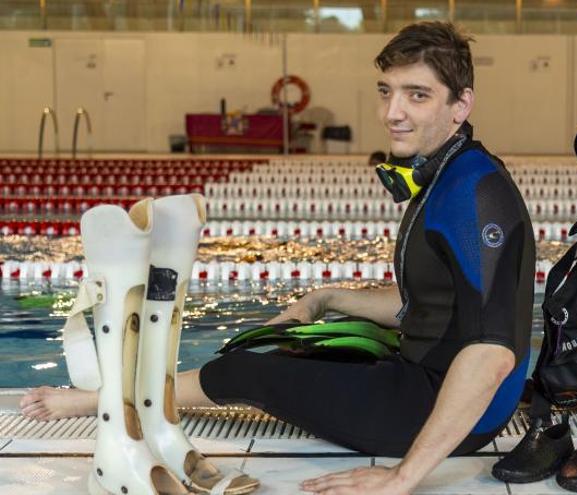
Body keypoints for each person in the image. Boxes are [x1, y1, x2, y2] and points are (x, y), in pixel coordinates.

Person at [21, 21, 535, 494]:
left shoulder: (475, 195)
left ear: (460, 104)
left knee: (251, 371)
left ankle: (100, 402)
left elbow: (492, 353)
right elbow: (429, 305)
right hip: (425, 371)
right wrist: (325, 297)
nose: (392, 112)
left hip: (450, 407)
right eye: (387, 91)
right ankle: (132, 398)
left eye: (416, 95)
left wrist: (402, 477)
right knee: (294, 344)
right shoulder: (448, 174)